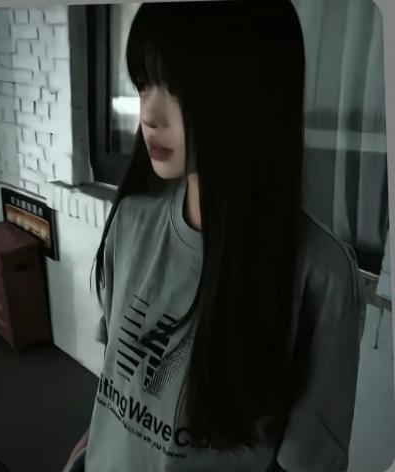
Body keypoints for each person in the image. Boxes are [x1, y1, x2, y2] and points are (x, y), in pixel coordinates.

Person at [64, 1, 367, 471]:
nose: (149, 114)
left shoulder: (320, 276)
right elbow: (119, 390)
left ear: (253, 90)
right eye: (144, 83)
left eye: (181, 88)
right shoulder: (130, 222)